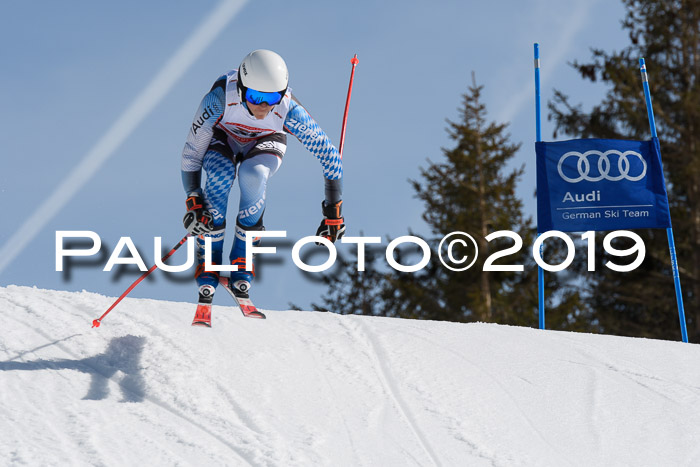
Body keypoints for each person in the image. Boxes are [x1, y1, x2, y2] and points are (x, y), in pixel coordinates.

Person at [180, 49, 345, 308]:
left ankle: (242, 257)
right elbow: (192, 155)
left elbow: (331, 157)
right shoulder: (218, 100)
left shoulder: (288, 110)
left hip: (265, 142)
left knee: (253, 175)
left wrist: (333, 213)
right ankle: (208, 256)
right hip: (223, 138)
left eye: (272, 98)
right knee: (220, 175)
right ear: (242, 88)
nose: (264, 106)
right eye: (257, 96)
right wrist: (193, 198)